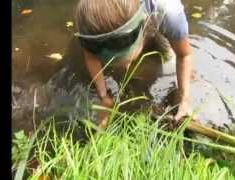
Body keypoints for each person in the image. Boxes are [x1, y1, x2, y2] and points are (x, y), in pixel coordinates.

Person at [73, 0, 193, 128]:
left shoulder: (169, 13)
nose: (124, 67)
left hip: (155, 19)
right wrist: (103, 95)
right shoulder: (90, 22)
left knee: (170, 63)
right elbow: (91, 56)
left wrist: (184, 98)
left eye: (124, 61)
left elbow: (184, 55)